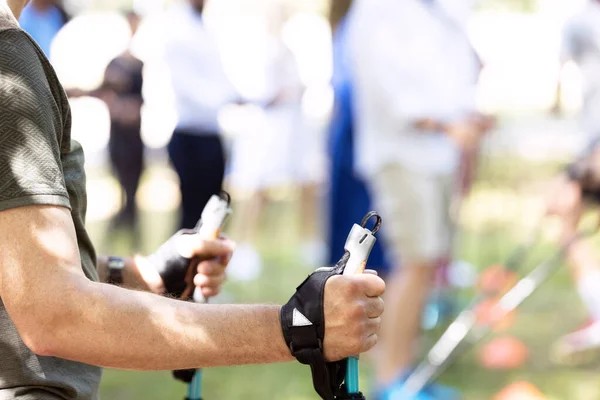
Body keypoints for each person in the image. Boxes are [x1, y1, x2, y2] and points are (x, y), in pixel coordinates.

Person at [0, 2, 385, 399]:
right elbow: (55, 316)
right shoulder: (8, 58)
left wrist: (137, 273)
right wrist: (299, 326)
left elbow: (23, 269)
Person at [346, 0, 491, 397]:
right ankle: (391, 381)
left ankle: (401, 370)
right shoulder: (377, 10)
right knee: (415, 261)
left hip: (437, 155)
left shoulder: (436, 9)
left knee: (425, 264)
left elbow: (449, 72)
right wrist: (446, 124)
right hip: (401, 155)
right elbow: (388, 89)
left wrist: (465, 116)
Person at [68, 11, 145, 239]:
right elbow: (102, 91)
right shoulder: (114, 64)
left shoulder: (140, 64)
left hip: (134, 134)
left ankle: (130, 224)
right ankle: (120, 224)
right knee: (121, 180)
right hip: (119, 133)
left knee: (134, 183)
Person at [163, 0, 239, 231]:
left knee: (212, 215)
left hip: (210, 133)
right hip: (190, 135)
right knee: (192, 216)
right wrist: (224, 98)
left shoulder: (204, 27)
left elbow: (220, 77)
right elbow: (187, 86)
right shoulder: (178, 28)